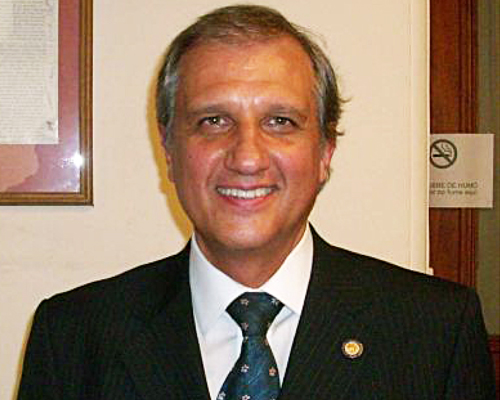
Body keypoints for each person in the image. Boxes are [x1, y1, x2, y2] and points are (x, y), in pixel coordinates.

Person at [17, 5, 496, 400]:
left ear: (325, 151)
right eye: (213, 121)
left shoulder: (434, 331)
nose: (247, 158)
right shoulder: (74, 336)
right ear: (169, 150)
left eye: (280, 122)